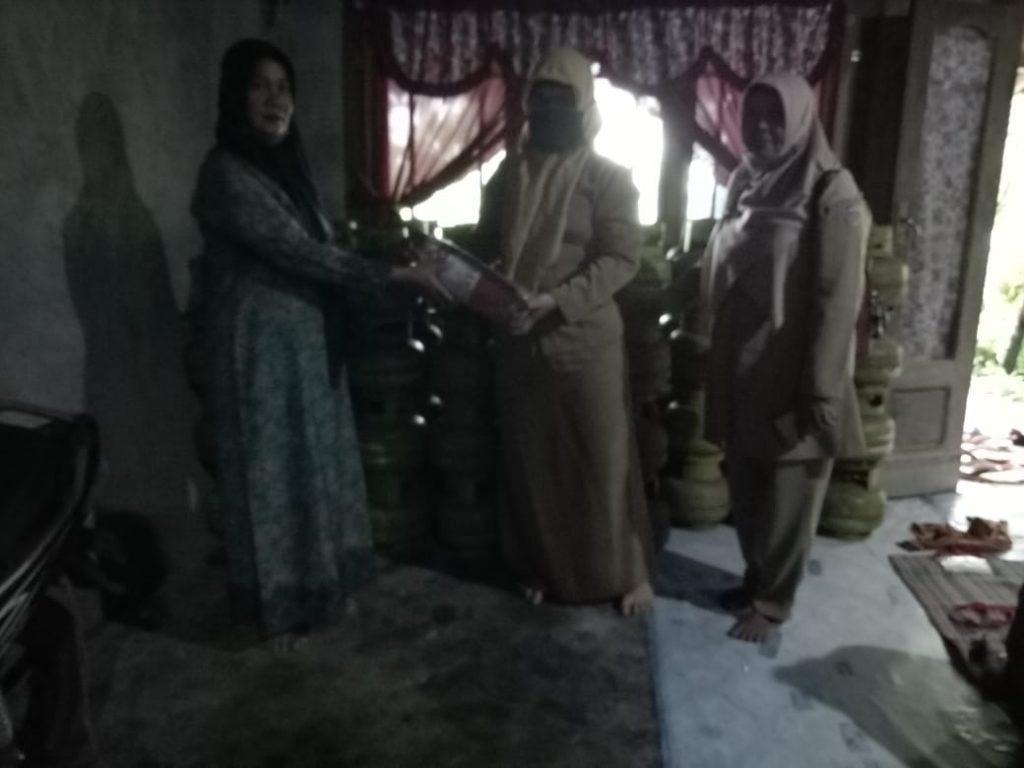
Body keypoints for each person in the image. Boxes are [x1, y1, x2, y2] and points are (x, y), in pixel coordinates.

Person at [190, 39, 444, 651]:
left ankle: (316, 589)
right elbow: (297, 251)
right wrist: (389, 275)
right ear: (234, 96)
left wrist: (392, 255)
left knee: (311, 467)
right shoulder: (225, 174)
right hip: (260, 354)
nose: (274, 100)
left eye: (284, 88)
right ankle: (275, 608)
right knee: (269, 476)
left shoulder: (289, 173)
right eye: (259, 86)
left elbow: (324, 243)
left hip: (306, 349)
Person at [475, 47, 654, 615]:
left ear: (586, 109)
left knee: (602, 465)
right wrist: (483, 283)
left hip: (584, 344)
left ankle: (626, 574)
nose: (551, 112)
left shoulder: (609, 178)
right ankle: (539, 569)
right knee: (533, 466)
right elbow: (488, 244)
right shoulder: (510, 173)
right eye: (541, 100)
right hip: (518, 342)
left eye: (564, 101)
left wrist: (555, 299)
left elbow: (621, 258)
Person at [700, 73, 870, 642]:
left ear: (800, 118)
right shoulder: (746, 179)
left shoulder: (832, 193)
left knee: (788, 493)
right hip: (743, 364)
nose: (762, 128)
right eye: (752, 116)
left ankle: (774, 601)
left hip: (794, 370)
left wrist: (819, 387)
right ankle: (757, 579)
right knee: (748, 486)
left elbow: (837, 300)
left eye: (775, 116)